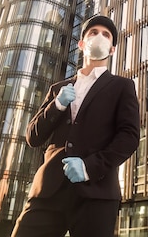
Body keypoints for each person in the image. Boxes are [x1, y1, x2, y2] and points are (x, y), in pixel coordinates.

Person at [11, 15, 140, 237]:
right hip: (49, 191)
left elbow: (129, 137)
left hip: (96, 193)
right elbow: (33, 137)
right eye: (93, 32)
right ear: (81, 45)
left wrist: (90, 167)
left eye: (106, 35)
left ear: (112, 50)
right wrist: (57, 105)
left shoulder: (122, 86)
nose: (99, 37)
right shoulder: (57, 89)